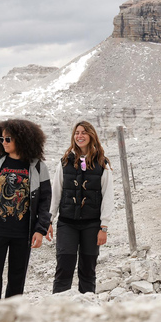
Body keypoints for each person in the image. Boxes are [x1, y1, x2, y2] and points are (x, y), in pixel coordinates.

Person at [0, 119, 52, 305]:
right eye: (1, 139)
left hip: (23, 233)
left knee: (17, 280)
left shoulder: (38, 167)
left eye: (8, 138)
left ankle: (12, 316)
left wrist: (40, 229)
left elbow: (45, 202)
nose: (4, 142)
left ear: (22, 138)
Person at [49, 121, 113, 294]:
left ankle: (88, 306)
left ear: (91, 135)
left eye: (84, 132)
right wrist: (49, 219)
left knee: (88, 270)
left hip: (92, 225)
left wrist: (104, 227)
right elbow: (56, 193)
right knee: (64, 267)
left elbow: (108, 196)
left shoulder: (102, 163)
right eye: (77, 132)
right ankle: (58, 307)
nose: (80, 136)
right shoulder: (64, 163)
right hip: (67, 223)